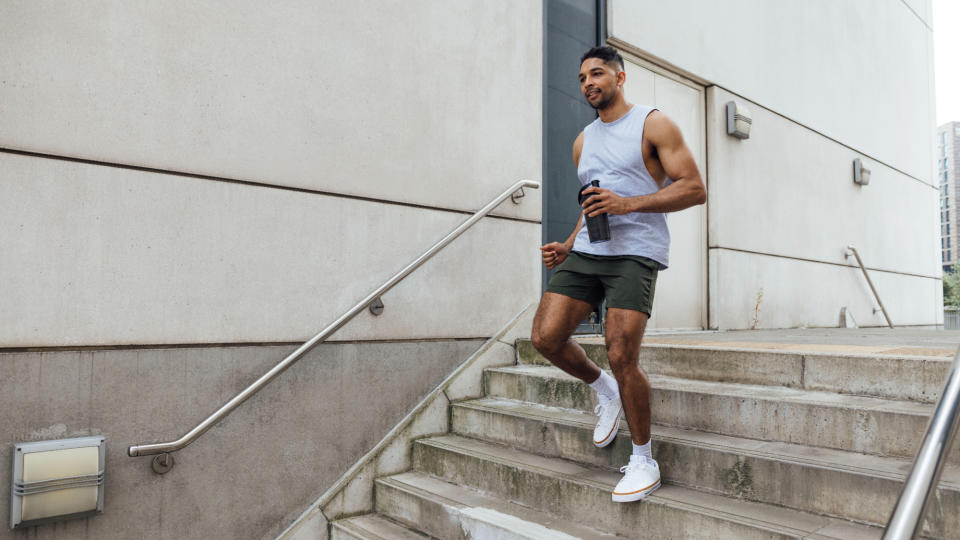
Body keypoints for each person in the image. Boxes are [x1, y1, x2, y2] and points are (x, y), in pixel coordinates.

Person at [531, 46, 706, 503]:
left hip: (636, 253)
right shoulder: (583, 141)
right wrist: (570, 243)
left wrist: (628, 204)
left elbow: (694, 188)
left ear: (619, 77)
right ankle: (603, 389)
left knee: (621, 353)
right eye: (582, 77)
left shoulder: (653, 124)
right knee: (546, 337)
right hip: (590, 250)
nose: (589, 82)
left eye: (597, 74)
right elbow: (593, 201)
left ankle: (644, 458)